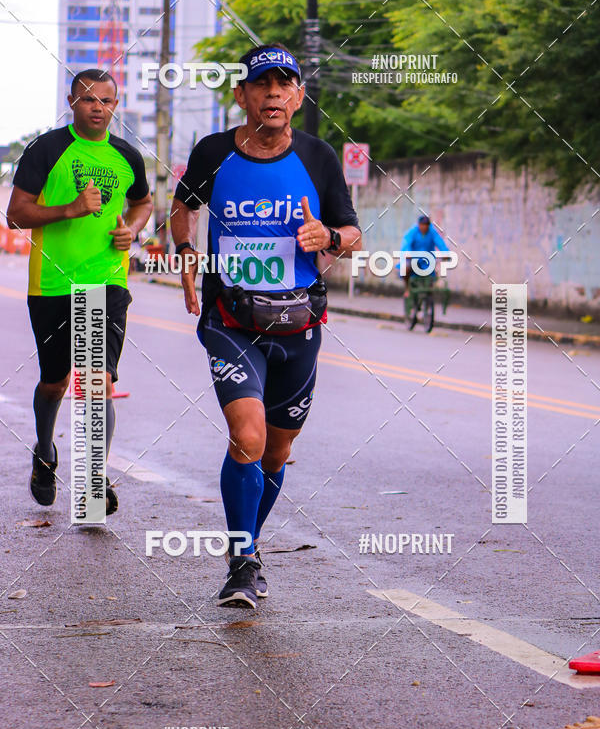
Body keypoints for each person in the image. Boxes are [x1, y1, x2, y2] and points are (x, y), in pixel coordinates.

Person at [171, 43, 363, 608]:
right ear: (242, 96)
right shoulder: (212, 153)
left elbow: (353, 235)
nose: (273, 94)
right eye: (261, 85)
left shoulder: (318, 156)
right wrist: (185, 254)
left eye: (284, 85)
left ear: (299, 97)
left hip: (299, 323)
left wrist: (328, 237)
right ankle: (242, 559)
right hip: (231, 320)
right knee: (248, 437)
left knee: (277, 451)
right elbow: (181, 207)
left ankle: (248, 549)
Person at [7, 68, 153, 514]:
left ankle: (93, 480)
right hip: (51, 282)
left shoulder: (128, 155)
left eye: (106, 101)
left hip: (106, 280)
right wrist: (70, 208)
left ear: (115, 105)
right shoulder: (47, 149)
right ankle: (46, 452)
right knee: (55, 382)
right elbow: (16, 214)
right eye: (88, 99)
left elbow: (143, 202)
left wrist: (133, 229)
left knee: (97, 382)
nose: (98, 107)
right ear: (72, 102)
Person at [400, 214, 448, 296]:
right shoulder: (413, 231)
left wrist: (445, 253)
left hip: (427, 260)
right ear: (419, 224)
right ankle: (407, 288)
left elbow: (440, 243)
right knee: (406, 269)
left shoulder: (432, 232)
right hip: (413, 259)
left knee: (433, 275)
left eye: (426, 225)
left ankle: (428, 293)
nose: (424, 227)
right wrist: (406, 252)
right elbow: (406, 242)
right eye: (422, 225)